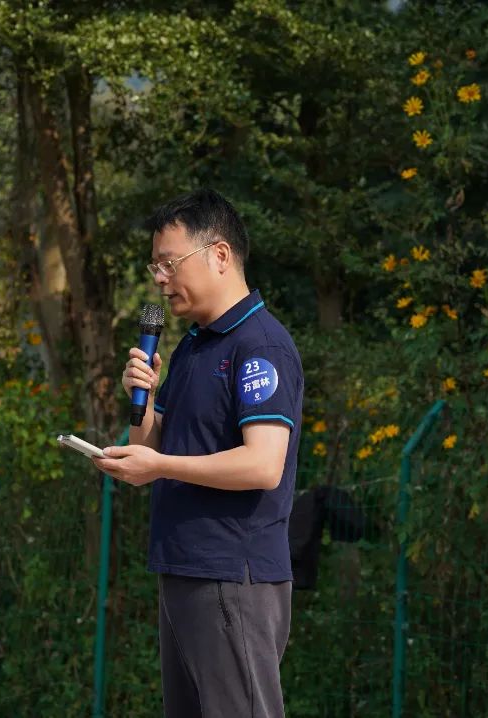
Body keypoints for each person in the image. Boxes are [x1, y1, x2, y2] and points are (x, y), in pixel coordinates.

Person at [92, 188, 304, 718]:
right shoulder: (193, 344)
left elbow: (263, 464)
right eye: (154, 265)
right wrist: (140, 407)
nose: (160, 279)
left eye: (169, 263)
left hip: (232, 574)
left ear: (220, 255)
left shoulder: (259, 345)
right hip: (185, 567)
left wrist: (159, 466)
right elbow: (154, 446)